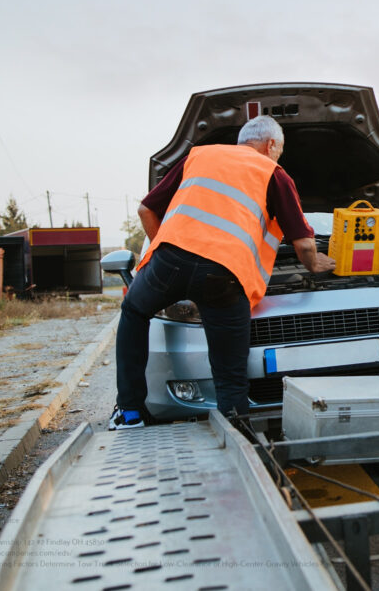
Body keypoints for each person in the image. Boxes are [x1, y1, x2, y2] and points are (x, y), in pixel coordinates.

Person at [109, 115, 335, 430]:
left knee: (133, 311)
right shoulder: (273, 173)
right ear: (270, 145)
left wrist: (163, 254)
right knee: (230, 373)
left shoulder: (199, 156)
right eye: (279, 152)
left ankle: (129, 413)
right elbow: (304, 244)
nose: (277, 158)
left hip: (170, 261)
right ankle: (236, 429)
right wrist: (318, 265)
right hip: (224, 275)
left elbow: (146, 209)